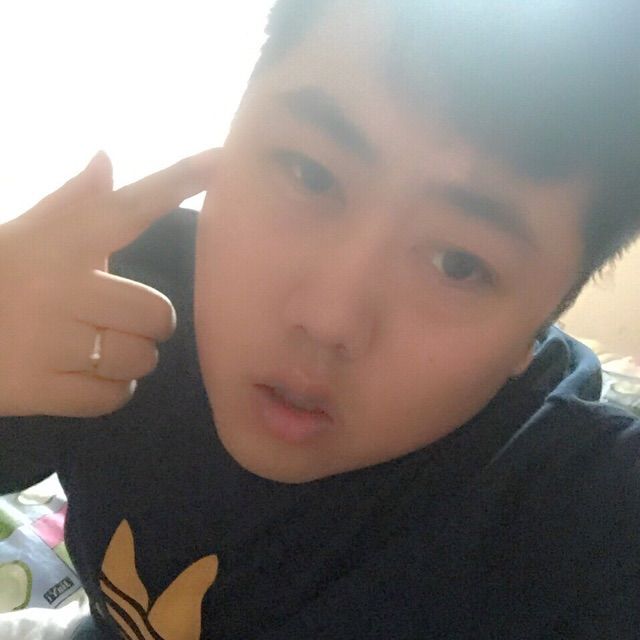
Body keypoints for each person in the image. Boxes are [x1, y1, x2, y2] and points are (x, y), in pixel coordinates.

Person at [2, 0, 640, 637]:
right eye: (311, 174)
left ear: (540, 323)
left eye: (460, 264)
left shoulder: (577, 512)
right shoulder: (114, 296)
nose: (327, 319)